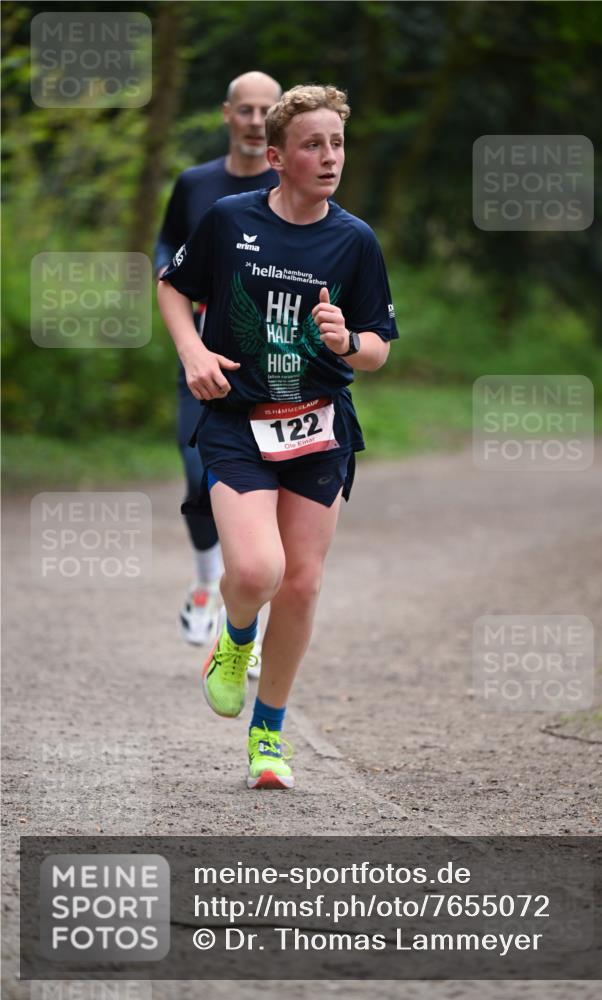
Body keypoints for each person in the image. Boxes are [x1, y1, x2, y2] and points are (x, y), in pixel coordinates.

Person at [157, 84, 398, 789]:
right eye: (313, 145)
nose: (329, 158)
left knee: (301, 584)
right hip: (237, 420)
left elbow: (380, 343)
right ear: (277, 156)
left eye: (337, 145)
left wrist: (349, 339)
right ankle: (233, 642)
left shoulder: (354, 239)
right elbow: (174, 286)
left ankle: (268, 736)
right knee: (257, 571)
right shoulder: (230, 219)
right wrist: (194, 354)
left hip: (318, 425)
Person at [155, 71, 281, 650]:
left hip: (274, 371)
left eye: (267, 111)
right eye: (247, 110)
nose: (257, 121)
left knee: (257, 487)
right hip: (203, 360)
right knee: (197, 473)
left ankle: (245, 610)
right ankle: (208, 583)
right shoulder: (196, 183)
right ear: (228, 114)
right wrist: (183, 306)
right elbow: (168, 250)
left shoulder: (293, 185)